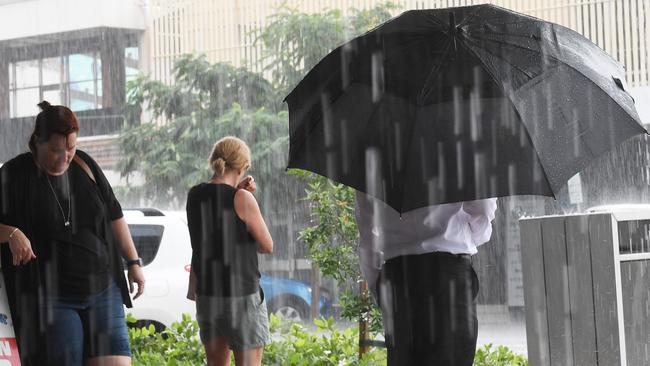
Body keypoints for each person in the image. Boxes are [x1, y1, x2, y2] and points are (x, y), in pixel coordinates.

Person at [0, 101, 145, 365]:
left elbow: (114, 214)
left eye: (71, 148)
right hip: (53, 298)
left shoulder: (84, 165)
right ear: (37, 141)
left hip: (103, 289)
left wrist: (133, 261)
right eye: (55, 150)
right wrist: (11, 233)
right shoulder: (14, 174)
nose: (64, 157)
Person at [355, 192, 498, 366]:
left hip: (397, 278)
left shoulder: (373, 164)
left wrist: (379, 287)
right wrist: (471, 236)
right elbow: (481, 209)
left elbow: (366, 227)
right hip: (448, 275)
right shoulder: (456, 163)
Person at [186, 136, 273, 366]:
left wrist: (238, 193)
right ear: (242, 167)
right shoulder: (242, 198)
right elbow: (267, 245)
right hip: (241, 296)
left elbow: (216, 229)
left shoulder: (194, 195)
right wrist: (245, 197)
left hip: (207, 296)